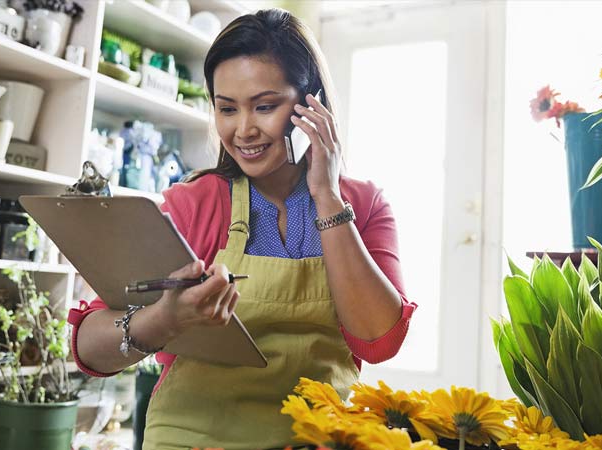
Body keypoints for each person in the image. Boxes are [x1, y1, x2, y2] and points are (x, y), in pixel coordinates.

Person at [68, 8, 417, 450]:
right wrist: (165, 318)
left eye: (265, 106)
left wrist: (328, 197)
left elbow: (378, 340)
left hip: (322, 438)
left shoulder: (364, 205)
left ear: (313, 106)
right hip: (196, 437)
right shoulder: (194, 204)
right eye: (226, 109)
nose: (243, 130)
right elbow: (88, 346)